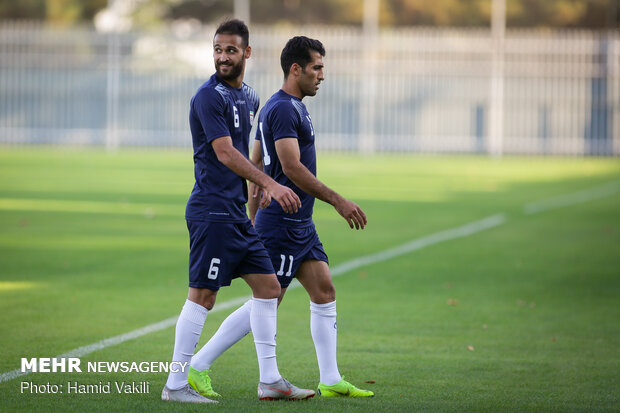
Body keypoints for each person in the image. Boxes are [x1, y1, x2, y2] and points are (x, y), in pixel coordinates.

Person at [187, 35, 374, 399]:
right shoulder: (284, 108)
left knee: (323, 290)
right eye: (316, 68)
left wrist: (253, 214)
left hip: (299, 223)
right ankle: (198, 364)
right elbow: (291, 166)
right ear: (296, 68)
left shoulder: (288, 106)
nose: (322, 75)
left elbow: (256, 161)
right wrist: (337, 200)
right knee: (268, 298)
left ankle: (331, 379)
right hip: (284, 224)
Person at [161, 20, 315, 404]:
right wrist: (270, 183)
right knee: (202, 297)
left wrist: (252, 199)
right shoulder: (207, 97)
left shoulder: (250, 97)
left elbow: (248, 157)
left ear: (246, 53)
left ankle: (270, 381)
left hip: (235, 216)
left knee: (269, 288)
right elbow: (225, 152)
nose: (222, 57)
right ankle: (176, 385)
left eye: (230, 50)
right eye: (217, 49)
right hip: (211, 212)